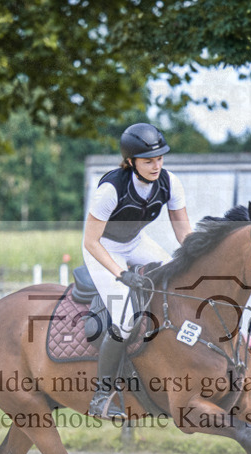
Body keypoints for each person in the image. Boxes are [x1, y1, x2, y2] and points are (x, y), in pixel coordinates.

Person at [82, 122, 193, 418]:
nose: (156, 166)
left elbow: (184, 232)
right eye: (148, 161)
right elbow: (90, 241)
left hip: (136, 242)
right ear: (131, 162)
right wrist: (121, 273)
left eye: (160, 159)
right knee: (126, 318)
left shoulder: (170, 182)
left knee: (177, 282)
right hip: (104, 248)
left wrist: (197, 258)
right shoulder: (111, 189)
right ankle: (101, 396)